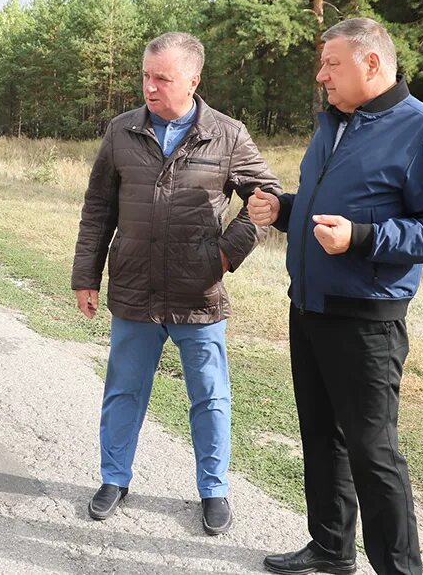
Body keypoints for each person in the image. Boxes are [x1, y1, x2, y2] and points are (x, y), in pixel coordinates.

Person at [247, 18, 423, 575]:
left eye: (332, 64)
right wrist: (285, 210)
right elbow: (334, 208)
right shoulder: (333, 124)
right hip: (310, 307)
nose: (321, 75)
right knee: (320, 438)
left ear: (371, 63)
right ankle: (330, 548)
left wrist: (363, 238)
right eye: (322, 65)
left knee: (374, 454)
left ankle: (399, 569)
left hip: (367, 321)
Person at [72, 31, 280, 535]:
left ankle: (214, 491)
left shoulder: (228, 135)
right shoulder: (121, 132)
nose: (149, 86)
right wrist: (86, 275)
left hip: (198, 294)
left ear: (193, 79)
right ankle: (113, 479)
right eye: (146, 75)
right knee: (123, 390)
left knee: (210, 395)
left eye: (161, 78)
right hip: (134, 289)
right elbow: (98, 208)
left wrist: (226, 255)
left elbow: (266, 199)